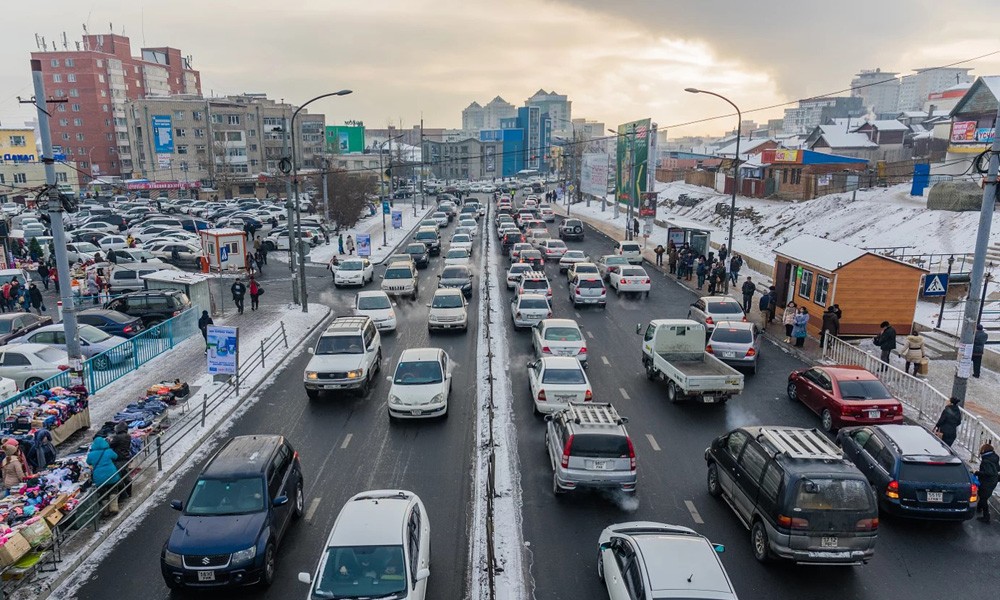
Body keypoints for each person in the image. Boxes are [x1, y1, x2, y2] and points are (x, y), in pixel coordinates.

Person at [86, 436, 121, 514]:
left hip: (99, 478)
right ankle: (114, 507)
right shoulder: (108, 451)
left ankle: (106, 511)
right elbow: (116, 457)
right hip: (111, 474)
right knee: (114, 489)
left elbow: (88, 462)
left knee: (102, 493)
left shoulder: (91, 454)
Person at [107, 421, 133, 499]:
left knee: (120, 477)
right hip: (126, 457)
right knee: (126, 475)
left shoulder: (117, 437)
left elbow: (110, 445)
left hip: (119, 459)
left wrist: (109, 440)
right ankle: (129, 492)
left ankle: (124, 495)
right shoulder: (128, 436)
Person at [975, 443, 999, 523]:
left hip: (987, 482)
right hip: (993, 481)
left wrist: (977, 472)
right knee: (982, 495)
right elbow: (996, 469)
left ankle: (986, 517)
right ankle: (979, 508)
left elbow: (988, 473)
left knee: (983, 498)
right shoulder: (994, 457)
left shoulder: (986, 461)